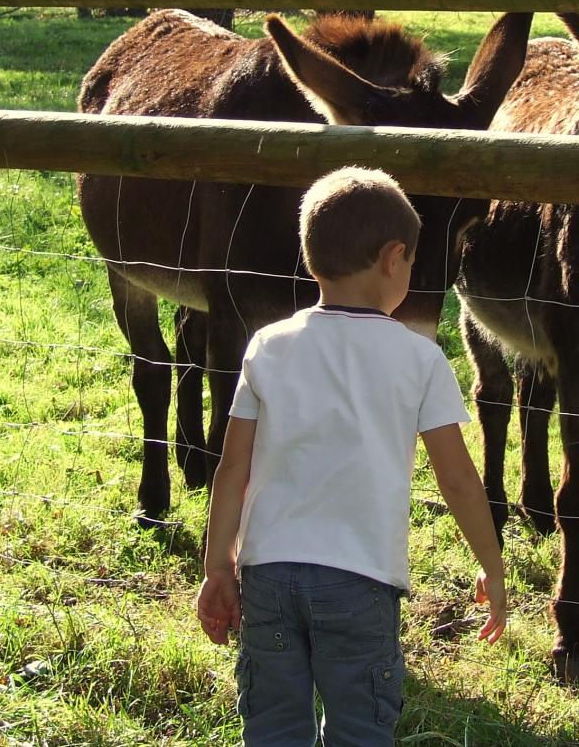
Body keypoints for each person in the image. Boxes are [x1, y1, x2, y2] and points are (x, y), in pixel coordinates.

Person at [196, 166, 507, 746]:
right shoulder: (419, 360)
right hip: (361, 583)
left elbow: (232, 466)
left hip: (269, 575)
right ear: (394, 258)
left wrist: (219, 564)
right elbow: (459, 479)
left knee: (273, 728)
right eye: (412, 262)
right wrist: (491, 563)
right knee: (360, 729)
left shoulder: (268, 345)